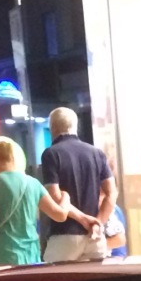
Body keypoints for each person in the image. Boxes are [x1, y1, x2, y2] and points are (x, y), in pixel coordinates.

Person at [0, 140, 83, 269]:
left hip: (1, 254)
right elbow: (60, 215)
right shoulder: (33, 183)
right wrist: (65, 198)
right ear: (12, 159)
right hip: (31, 255)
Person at [40, 107, 115, 262]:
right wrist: (97, 223)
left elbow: (55, 196)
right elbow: (111, 193)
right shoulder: (97, 153)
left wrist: (82, 219)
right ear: (75, 127)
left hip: (64, 237)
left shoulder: (51, 154)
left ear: (52, 127)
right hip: (95, 237)